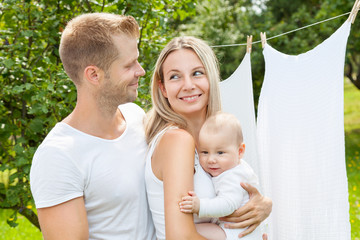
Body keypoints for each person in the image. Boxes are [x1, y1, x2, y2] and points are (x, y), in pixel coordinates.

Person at [29, 13, 156, 239]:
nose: (141, 71)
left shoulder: (136, 117)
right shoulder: (58, 156)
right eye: (129, 65)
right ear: (94, 75)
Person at [144, 36, 272, 240]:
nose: (188, 85)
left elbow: (235, 185)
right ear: (163, 88)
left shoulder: (218, 134)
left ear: (210, 78)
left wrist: (263, 204)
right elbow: (180, 238)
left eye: (197, 73)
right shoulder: (176, 140)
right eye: (175, 77)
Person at [179, 112, 262, 240]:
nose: (211, 159)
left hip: (237, 232)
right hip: (231, 230)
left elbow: (228, 204)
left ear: (240, 151)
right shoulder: (230, 167)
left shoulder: (234, 176)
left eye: (220, 152)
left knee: (186, 230)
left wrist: (200, 205)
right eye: (205, 152)